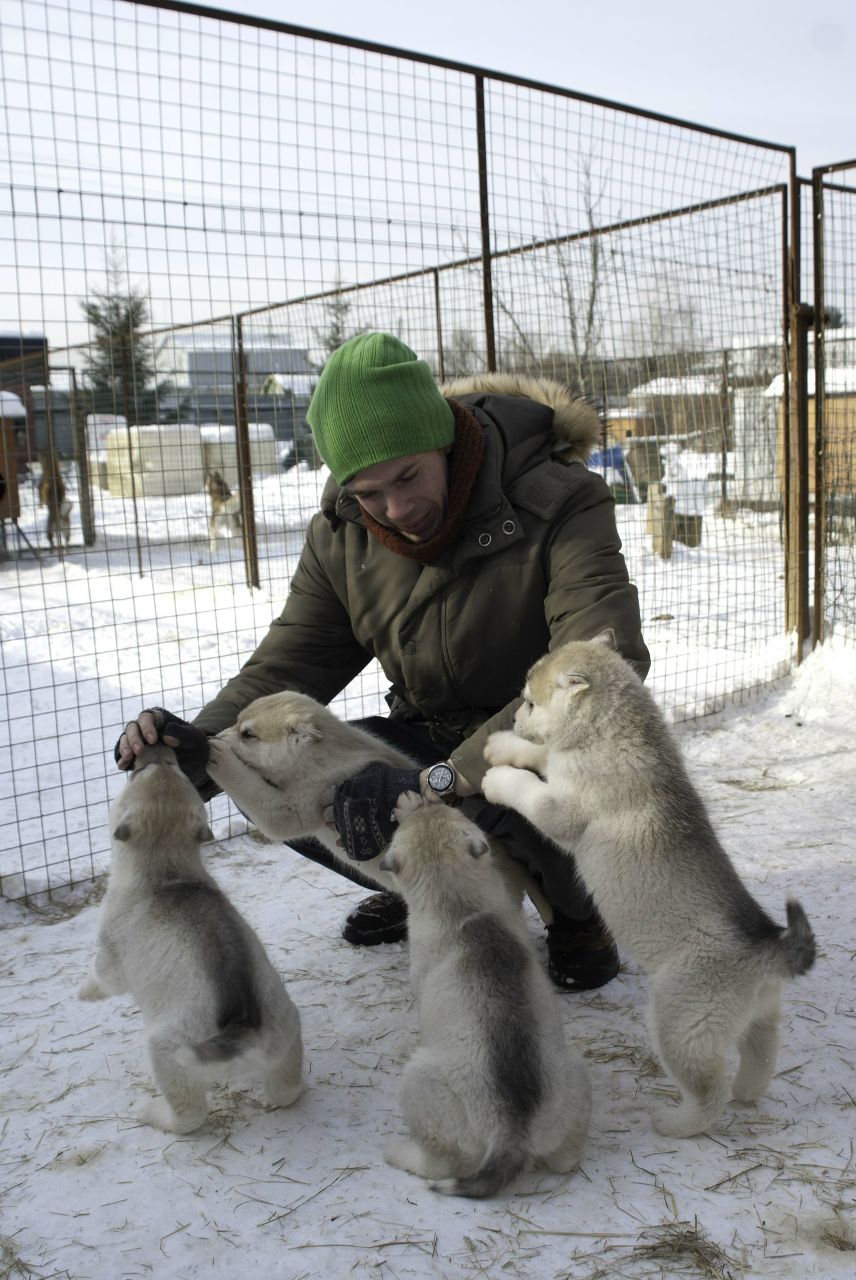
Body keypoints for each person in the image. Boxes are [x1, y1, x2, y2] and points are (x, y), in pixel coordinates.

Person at [117, 332, 650, 991]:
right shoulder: (343, 535)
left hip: (546, 751)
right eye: (368, 491)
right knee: (281, 761)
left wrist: (435, 781)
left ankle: (578, 913)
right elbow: (288, 666)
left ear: (446, 441)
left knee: (522, 784)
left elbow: (597, 666)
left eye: (408, 476)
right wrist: (195, 751)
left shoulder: (560, 498)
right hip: (431, 744)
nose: (395, 510)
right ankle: (425, 887)